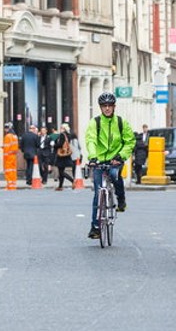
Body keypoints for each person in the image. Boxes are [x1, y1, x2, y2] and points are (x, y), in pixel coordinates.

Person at [85, 92, 136, 240]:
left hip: (116, 159)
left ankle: (121, 199)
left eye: (109, 106)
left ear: (114, 107)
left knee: (114, 175)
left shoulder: (121, 122)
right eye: (104, 106)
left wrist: (120, 156)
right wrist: (93, 157)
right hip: (99, 161)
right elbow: (91, 140)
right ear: (100, 108)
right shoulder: (95, 122)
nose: (107, 108)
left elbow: (129, 141)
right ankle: (95, 227)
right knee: (97, 191)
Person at [54, 123, 76, 190]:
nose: (60, 129)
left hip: (61, 154)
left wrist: (54, 145)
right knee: (61, 170)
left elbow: (60, 144)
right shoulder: (68, 135)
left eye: (61, 128)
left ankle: (72, 181)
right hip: (66, 154)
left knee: (61, 171)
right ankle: (60, 186)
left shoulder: (62, 135)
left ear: (64, 128)